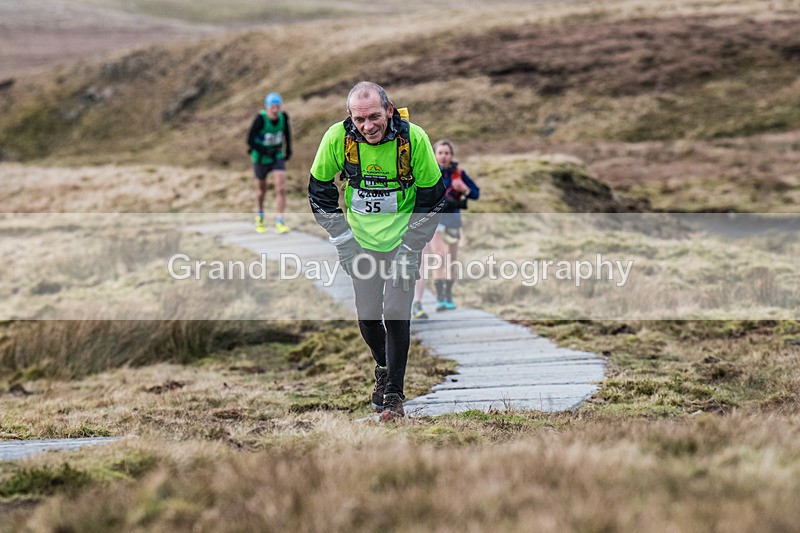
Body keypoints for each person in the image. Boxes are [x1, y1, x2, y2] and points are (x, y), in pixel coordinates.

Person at [308, 81, 444, 420]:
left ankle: (394, 397)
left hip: (402, 242)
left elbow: (433, 198)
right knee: (368, 317)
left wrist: (412, 247)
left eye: (374, 117)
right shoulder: (337, 139)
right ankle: (383, 366)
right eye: (359, 119)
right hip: (361, 243)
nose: (368, 126)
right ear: (350, 118)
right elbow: (319, 192)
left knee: (397, 313)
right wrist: (343, 241)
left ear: (389, 110)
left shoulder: (414, 140)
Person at [427, 139, 479, 312]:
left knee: (452, 260)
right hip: (436, 221)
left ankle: (448, 294)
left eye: (446, 153)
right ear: (434, 155)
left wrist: (464, 189)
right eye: (440, 153)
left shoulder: (459, 173)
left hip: (453, 220)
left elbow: (475, 194)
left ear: (451, 155)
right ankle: (440, 297)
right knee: (439, 257)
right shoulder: (429, 173)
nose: (443, 156)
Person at [247, 91, 292, 234]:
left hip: (276, 156)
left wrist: (288, 149)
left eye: (277, 105)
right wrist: (264, 151)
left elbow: (287, 133)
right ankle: (260, 216)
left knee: (281, 187)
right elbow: (250, 140)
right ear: (267, 107)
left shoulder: (283, 117)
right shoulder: (260, 119)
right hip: (261, 158)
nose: (275, 109)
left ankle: (280, 221)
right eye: (272, 106)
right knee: (262, 190)